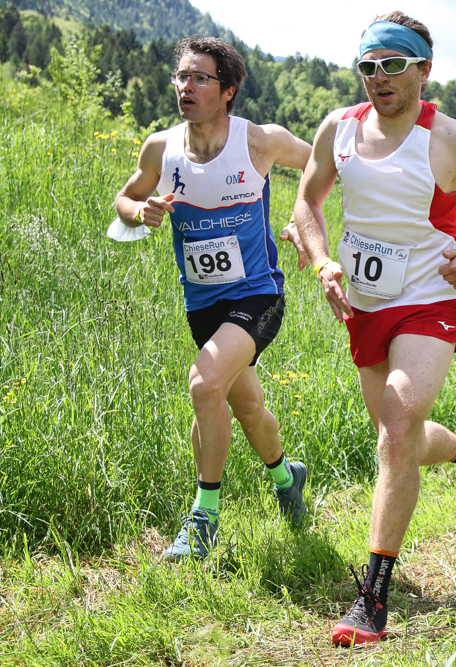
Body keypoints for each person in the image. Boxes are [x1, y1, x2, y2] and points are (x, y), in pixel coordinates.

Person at [286, 13, 456, 645]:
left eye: (394, 64)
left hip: (431, 298)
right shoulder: (338, 128)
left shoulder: (453, 138)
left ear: (424, 69)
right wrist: (321, 262)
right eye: (368, 66)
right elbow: (307, 203)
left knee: (396, 426)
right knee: (396, 437)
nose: (379, 77)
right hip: (366, 303)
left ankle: (371, 598)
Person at [113, 37, 312, 562]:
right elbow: (126, 196)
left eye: (200, 78)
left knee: (204, 384)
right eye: (181, 76)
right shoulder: (161, 147)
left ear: (227, 91)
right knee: (246, 407)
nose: (186, 86)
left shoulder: (260, 141)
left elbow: (321, 168)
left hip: (259, 293)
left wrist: (302, 220)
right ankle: (287, 478)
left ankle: (204, 519)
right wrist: (139, 212)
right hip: (201, 303)